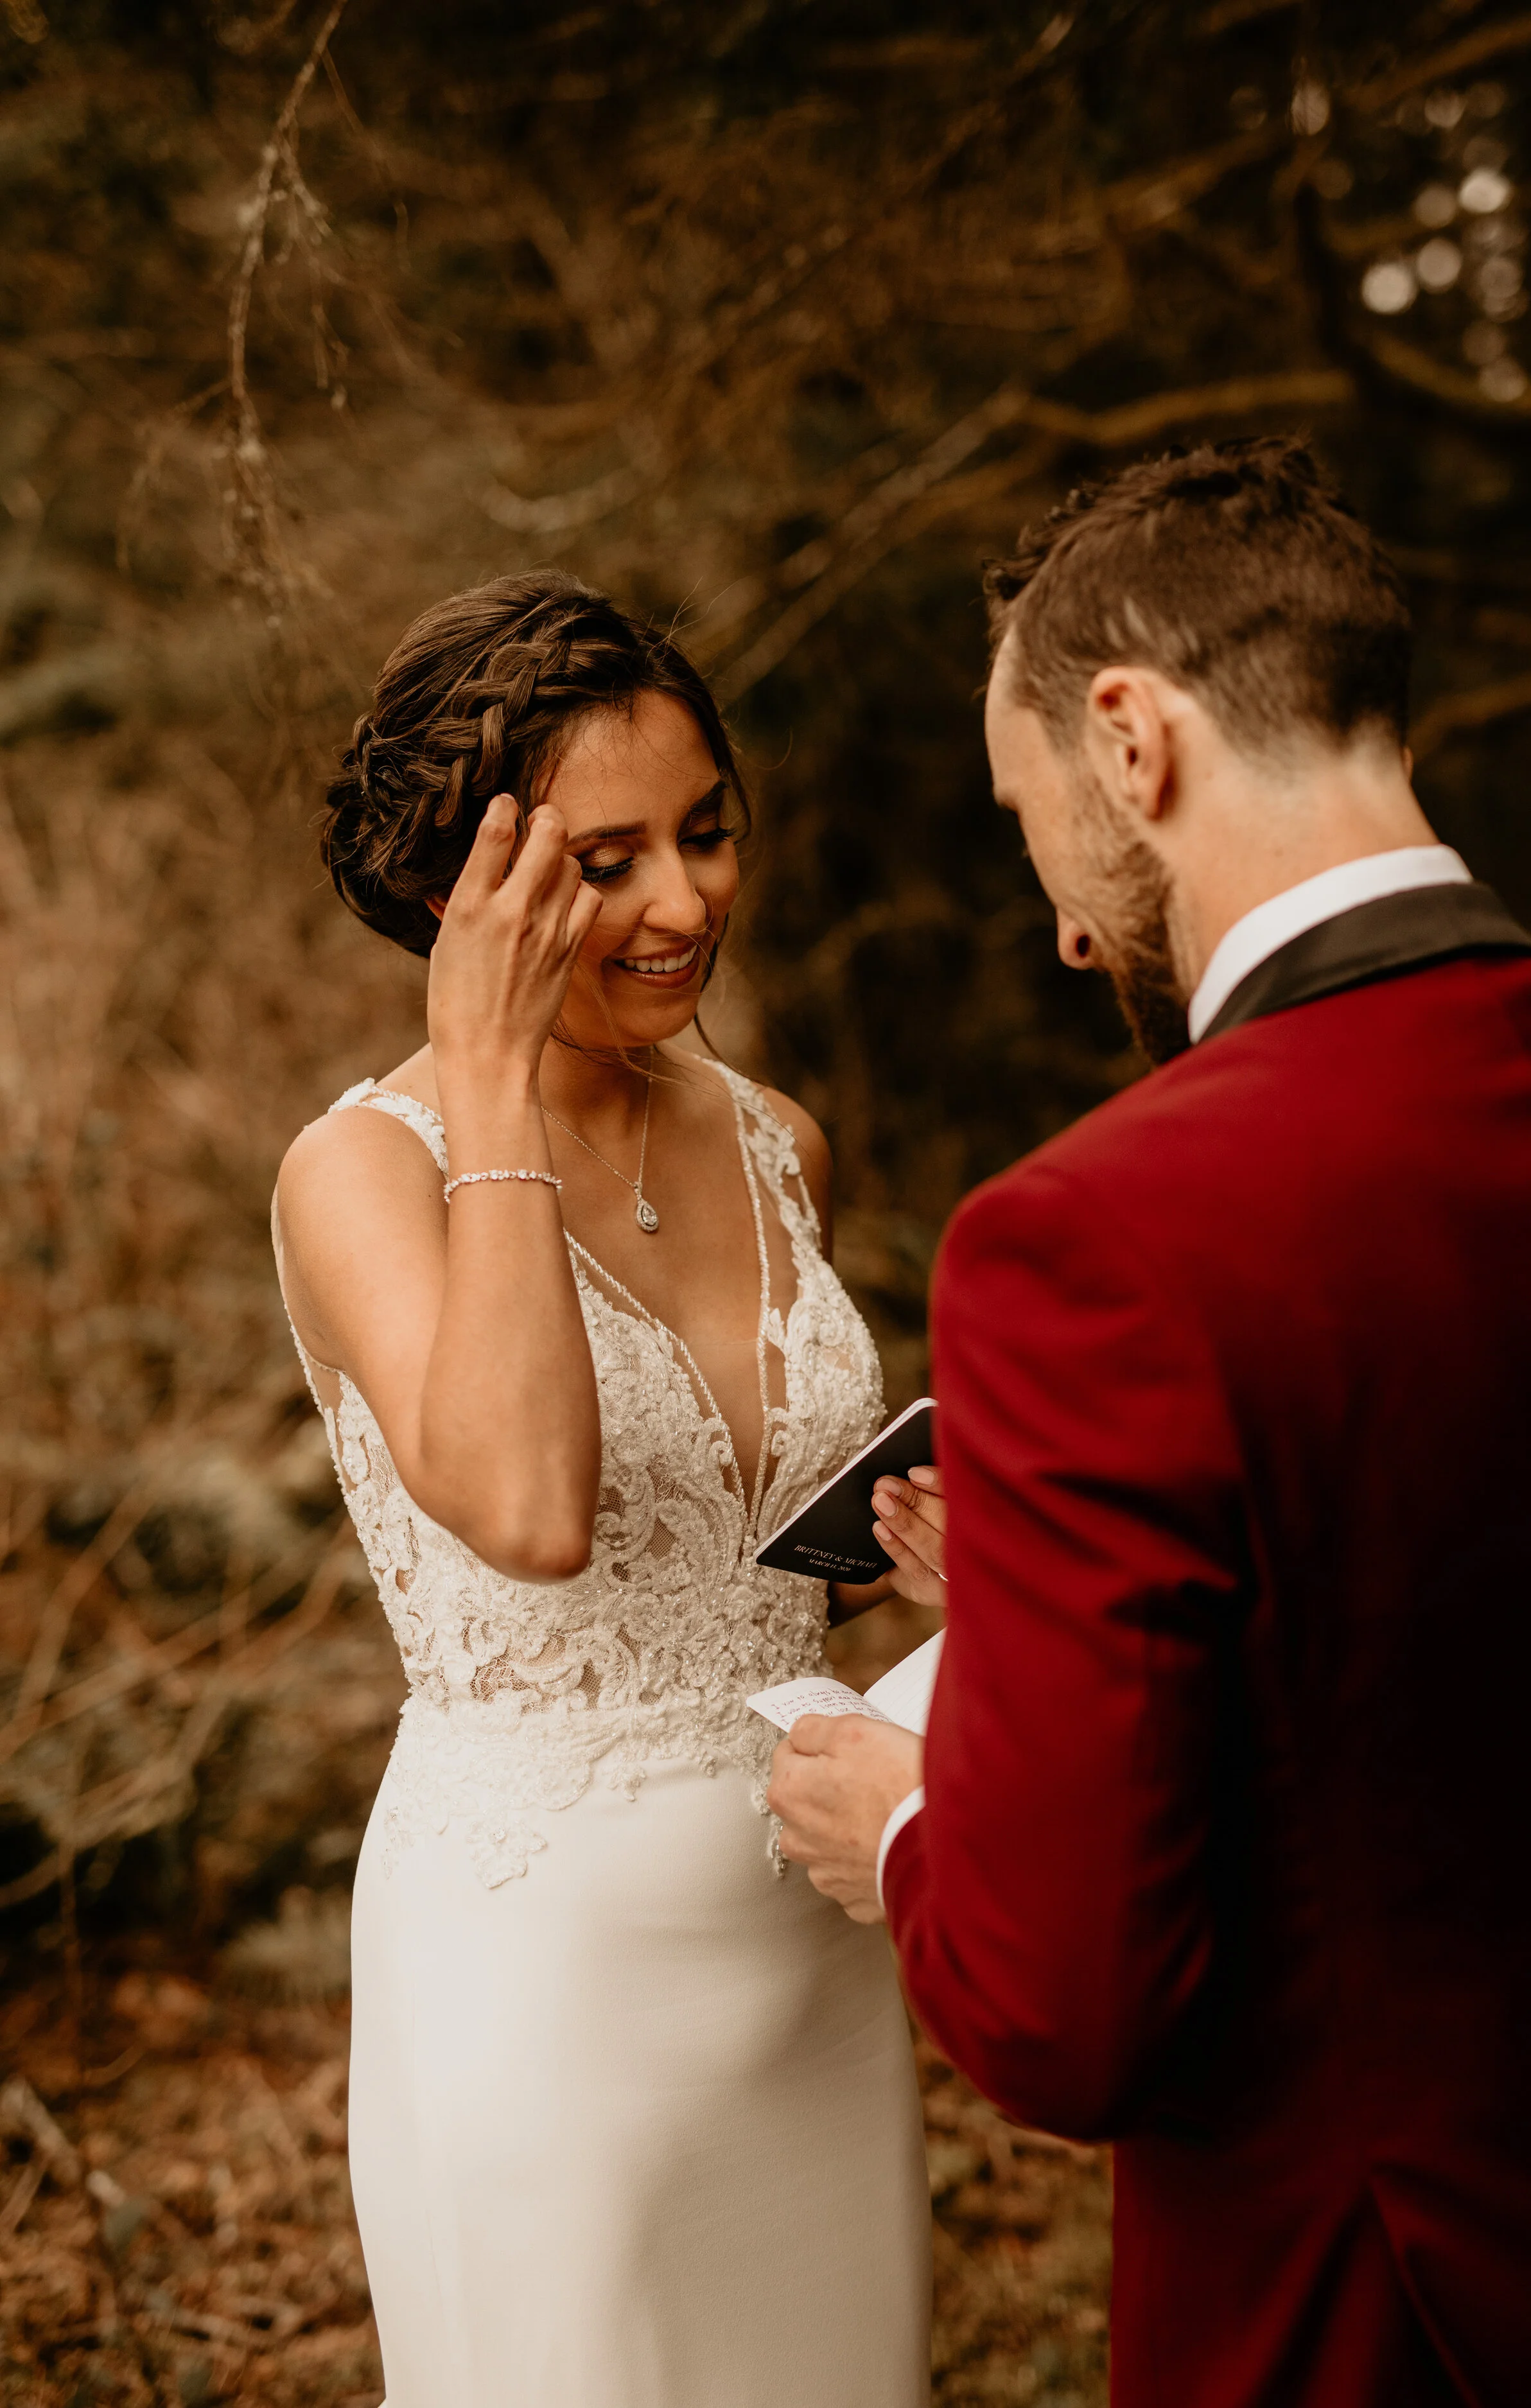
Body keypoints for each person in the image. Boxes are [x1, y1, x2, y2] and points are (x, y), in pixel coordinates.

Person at [768, 439, 1531, 2408]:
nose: (1064, 923)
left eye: (1030, 813)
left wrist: (904, 1823)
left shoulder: (1092, 1240)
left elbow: (1069, 2017)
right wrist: (1059, 1606)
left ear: (1129, 741)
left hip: (1368, 2315)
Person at [271, 572, 932, 2407]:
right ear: (453, 889)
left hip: (804, 1946)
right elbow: (533, 1508)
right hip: (537, 1975)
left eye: (706, 833)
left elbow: (762, 1564)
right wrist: (487, 1084)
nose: (683, 902)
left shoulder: (777, 1137)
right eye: (605, 860)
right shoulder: (362, 1174)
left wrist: (922, 1558)